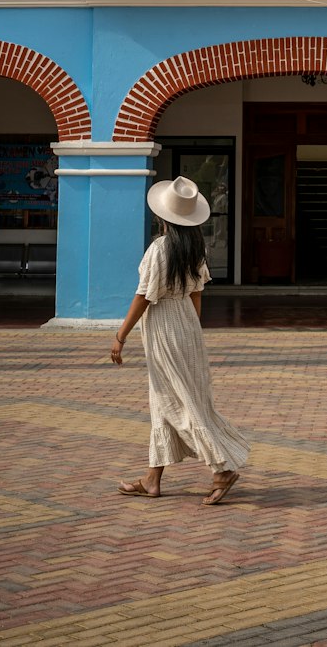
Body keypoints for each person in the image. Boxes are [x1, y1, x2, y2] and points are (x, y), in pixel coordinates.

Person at [110, 175, 249, 505]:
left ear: (162, 216)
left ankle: (222, 467)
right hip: (187, 323)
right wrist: (192, 330)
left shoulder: (159, 248)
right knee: (167, 399)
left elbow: (144, 295)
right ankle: (152, 479)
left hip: (164, 325)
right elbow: (197, 293)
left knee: (180, 403)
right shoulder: (196, 248)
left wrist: (120, 335)